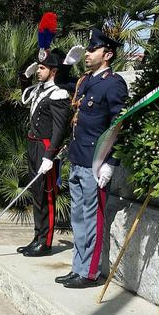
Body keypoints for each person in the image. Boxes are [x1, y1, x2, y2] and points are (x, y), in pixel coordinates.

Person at [54, 28, 127, 288]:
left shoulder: (114, 83)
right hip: (77, 157)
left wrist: (111, 163)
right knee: (78, 218)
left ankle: (89, 272)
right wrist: (65, 65)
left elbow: (121, 125)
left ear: (107, 54)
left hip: (95, 164)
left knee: (92, 218)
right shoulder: (85, 81)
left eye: (92, 49)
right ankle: (78, 267)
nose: (87, 53)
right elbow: (62, 85)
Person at [17, 50, 70, 257]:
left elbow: (59, 130)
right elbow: (24, 98)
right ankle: (37, 236)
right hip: (33, 146)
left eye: (42, 68)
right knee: (36, 194)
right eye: (38, 67)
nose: (38, 71)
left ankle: (45, 242)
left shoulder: (58, 94)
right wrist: (24, 76)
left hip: (46, 148)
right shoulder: (39, 90)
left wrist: (50, 156)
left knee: (46, 195)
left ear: (53, 70)